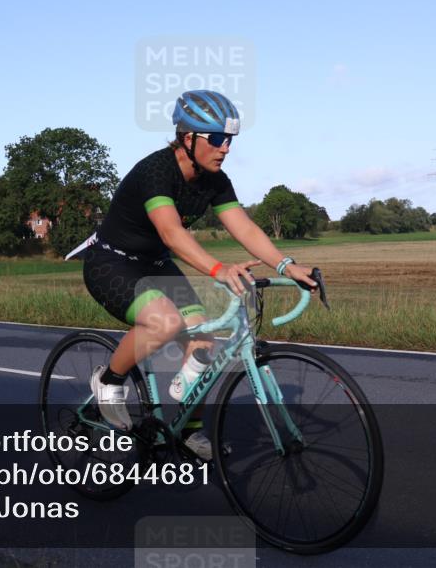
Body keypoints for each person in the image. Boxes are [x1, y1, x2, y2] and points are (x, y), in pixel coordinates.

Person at [81, 90, 317, 460]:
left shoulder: (214, 179)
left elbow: (245, 228)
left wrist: (287, 265)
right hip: (112, 263)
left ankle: (187, 428)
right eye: (218, 140)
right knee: (164, 323)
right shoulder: (156, 171)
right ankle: (109, 380)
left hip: (155, 266)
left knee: (205, 338)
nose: (225, 149)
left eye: (230, 140)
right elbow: (171, 233)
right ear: (188, 138)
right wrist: (218, 269)